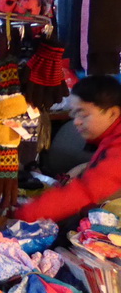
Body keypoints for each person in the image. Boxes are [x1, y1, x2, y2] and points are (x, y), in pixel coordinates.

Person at [15, 76, 121, 223]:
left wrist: (24, 214)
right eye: (74, 114)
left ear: (112, 113)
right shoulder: (111, 138)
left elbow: (86, 191)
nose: (76, 122)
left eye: (83, 114)